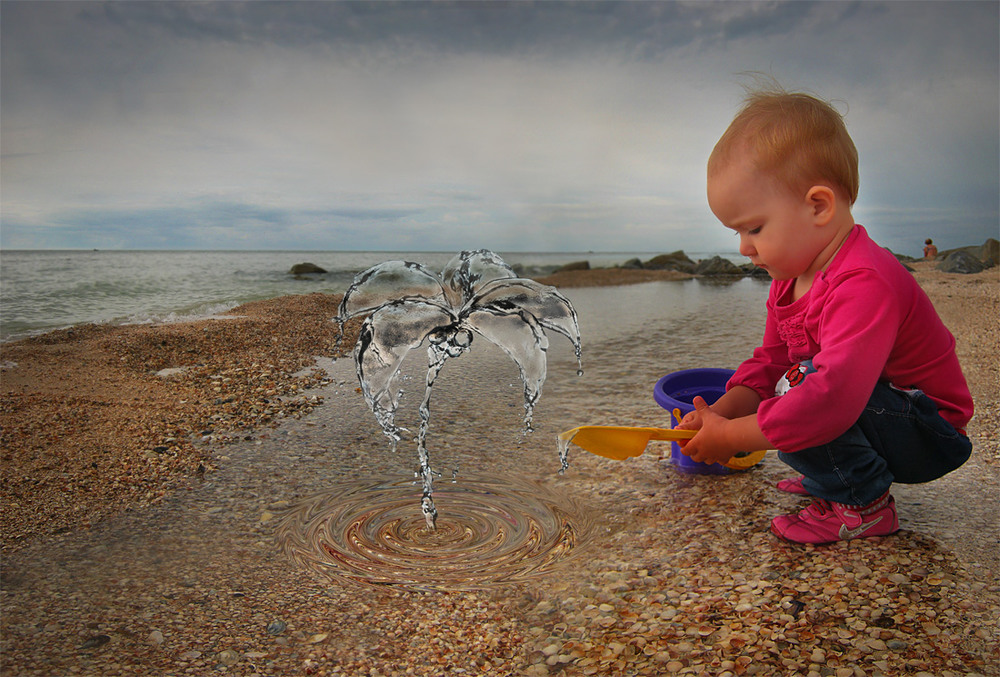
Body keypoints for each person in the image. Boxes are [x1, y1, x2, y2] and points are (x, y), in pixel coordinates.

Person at [676, 87, 974, 545]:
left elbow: (830, 399)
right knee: (791, 378)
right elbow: (771, 360)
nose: (743, 247)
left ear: (818, 206)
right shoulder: (790, 278)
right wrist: (720, 415)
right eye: (737, 232)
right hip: (879, 411)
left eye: (754, 227)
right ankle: (837, 475)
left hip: (930, 431)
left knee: (805, 386)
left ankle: (863, 504)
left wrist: (736, 435)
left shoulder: (863, 280)